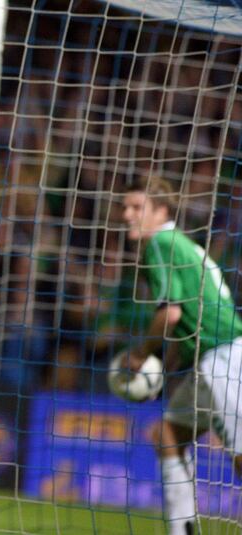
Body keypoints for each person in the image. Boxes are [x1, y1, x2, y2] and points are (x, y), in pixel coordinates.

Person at [121, 176, 242, 535]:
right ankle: (182, 530)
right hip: (210, 357)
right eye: (125, 207)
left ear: (161, 211)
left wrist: (142, 354)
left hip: (224, 356)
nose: (126, 214)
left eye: (136, 208)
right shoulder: (181, 244)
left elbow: (170, 314)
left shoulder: (161, 242)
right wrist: (167, 366)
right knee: (167, 433)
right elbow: (184, 319)